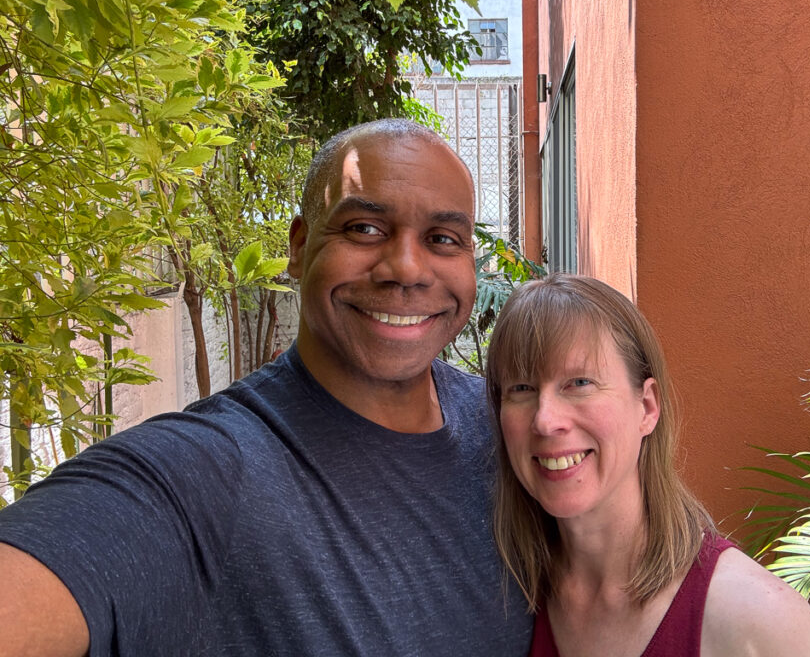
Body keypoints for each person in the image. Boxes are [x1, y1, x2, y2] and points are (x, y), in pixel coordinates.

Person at [0, 119, 532, 657]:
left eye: (442, 239)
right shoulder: (204, 474)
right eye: (365, 228)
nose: (407, 269)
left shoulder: (516, 431)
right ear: (299, 247)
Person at [485, 273, 810, 657]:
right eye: (522, 389)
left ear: (647, 407)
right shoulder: (504, 600)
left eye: (579, 383)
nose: (545, 421)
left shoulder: (760, 623)